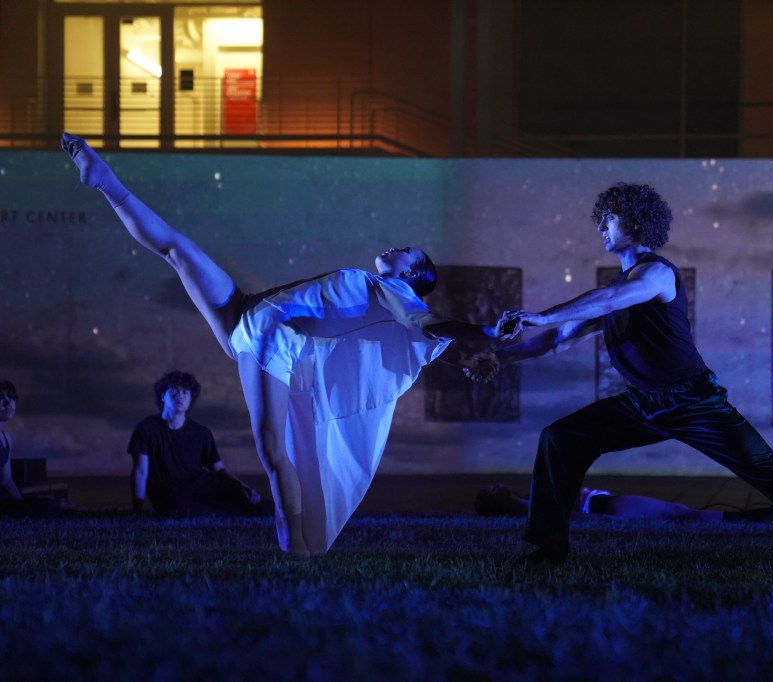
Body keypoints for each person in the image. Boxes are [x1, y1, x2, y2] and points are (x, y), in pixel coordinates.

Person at [61, 132, 515, 555]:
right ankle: (105, 182)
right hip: (247, 311)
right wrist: (466, 354)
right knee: (178, 251)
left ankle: (296, 546)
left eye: (405, 252)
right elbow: (425, 334)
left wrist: (487, 333)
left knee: (272, 447)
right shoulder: (378, 288)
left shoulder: (396, 292)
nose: (395, 248)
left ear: (412, 274)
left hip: (269, 337)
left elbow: (428, 323)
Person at [467, 182, 773, 571]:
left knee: (770, 471)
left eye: (609, 218)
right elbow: (558, 339)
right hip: (642, 404)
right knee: (560, 438)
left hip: (694, 401)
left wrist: (541, 315)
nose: (600, 227)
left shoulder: (656, 273)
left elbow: (610, 300)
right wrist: (499, 358)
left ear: (634, 223)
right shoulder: (618, 288)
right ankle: (548, 549)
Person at [129, 370, 270, 517]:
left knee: (251, 502)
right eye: (174, 391)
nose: (180, 396)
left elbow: (219, 469)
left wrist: (243, 486)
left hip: (202, 487)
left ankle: (278, 511)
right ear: (163, 396)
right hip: (171, 494)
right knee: (178, 509)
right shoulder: (146, 429)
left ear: (191, 398)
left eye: (185, 392)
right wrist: (137, 509)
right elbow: (140, 471)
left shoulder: (201, 433)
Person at [475, 482, 773, 523]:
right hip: (603, 507)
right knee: (677, 513)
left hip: (603, 504)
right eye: (492, 490)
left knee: (677, 513)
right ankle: (746, 519)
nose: (497, 485)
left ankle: (745, 518)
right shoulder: (523, 507)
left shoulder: (525, 502)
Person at [0, 380, 61, 517]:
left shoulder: (7, 439)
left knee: (48, 505)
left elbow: (6, 480)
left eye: (11, 398)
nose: (8, 403)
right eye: (1, 398)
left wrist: (20, 504)